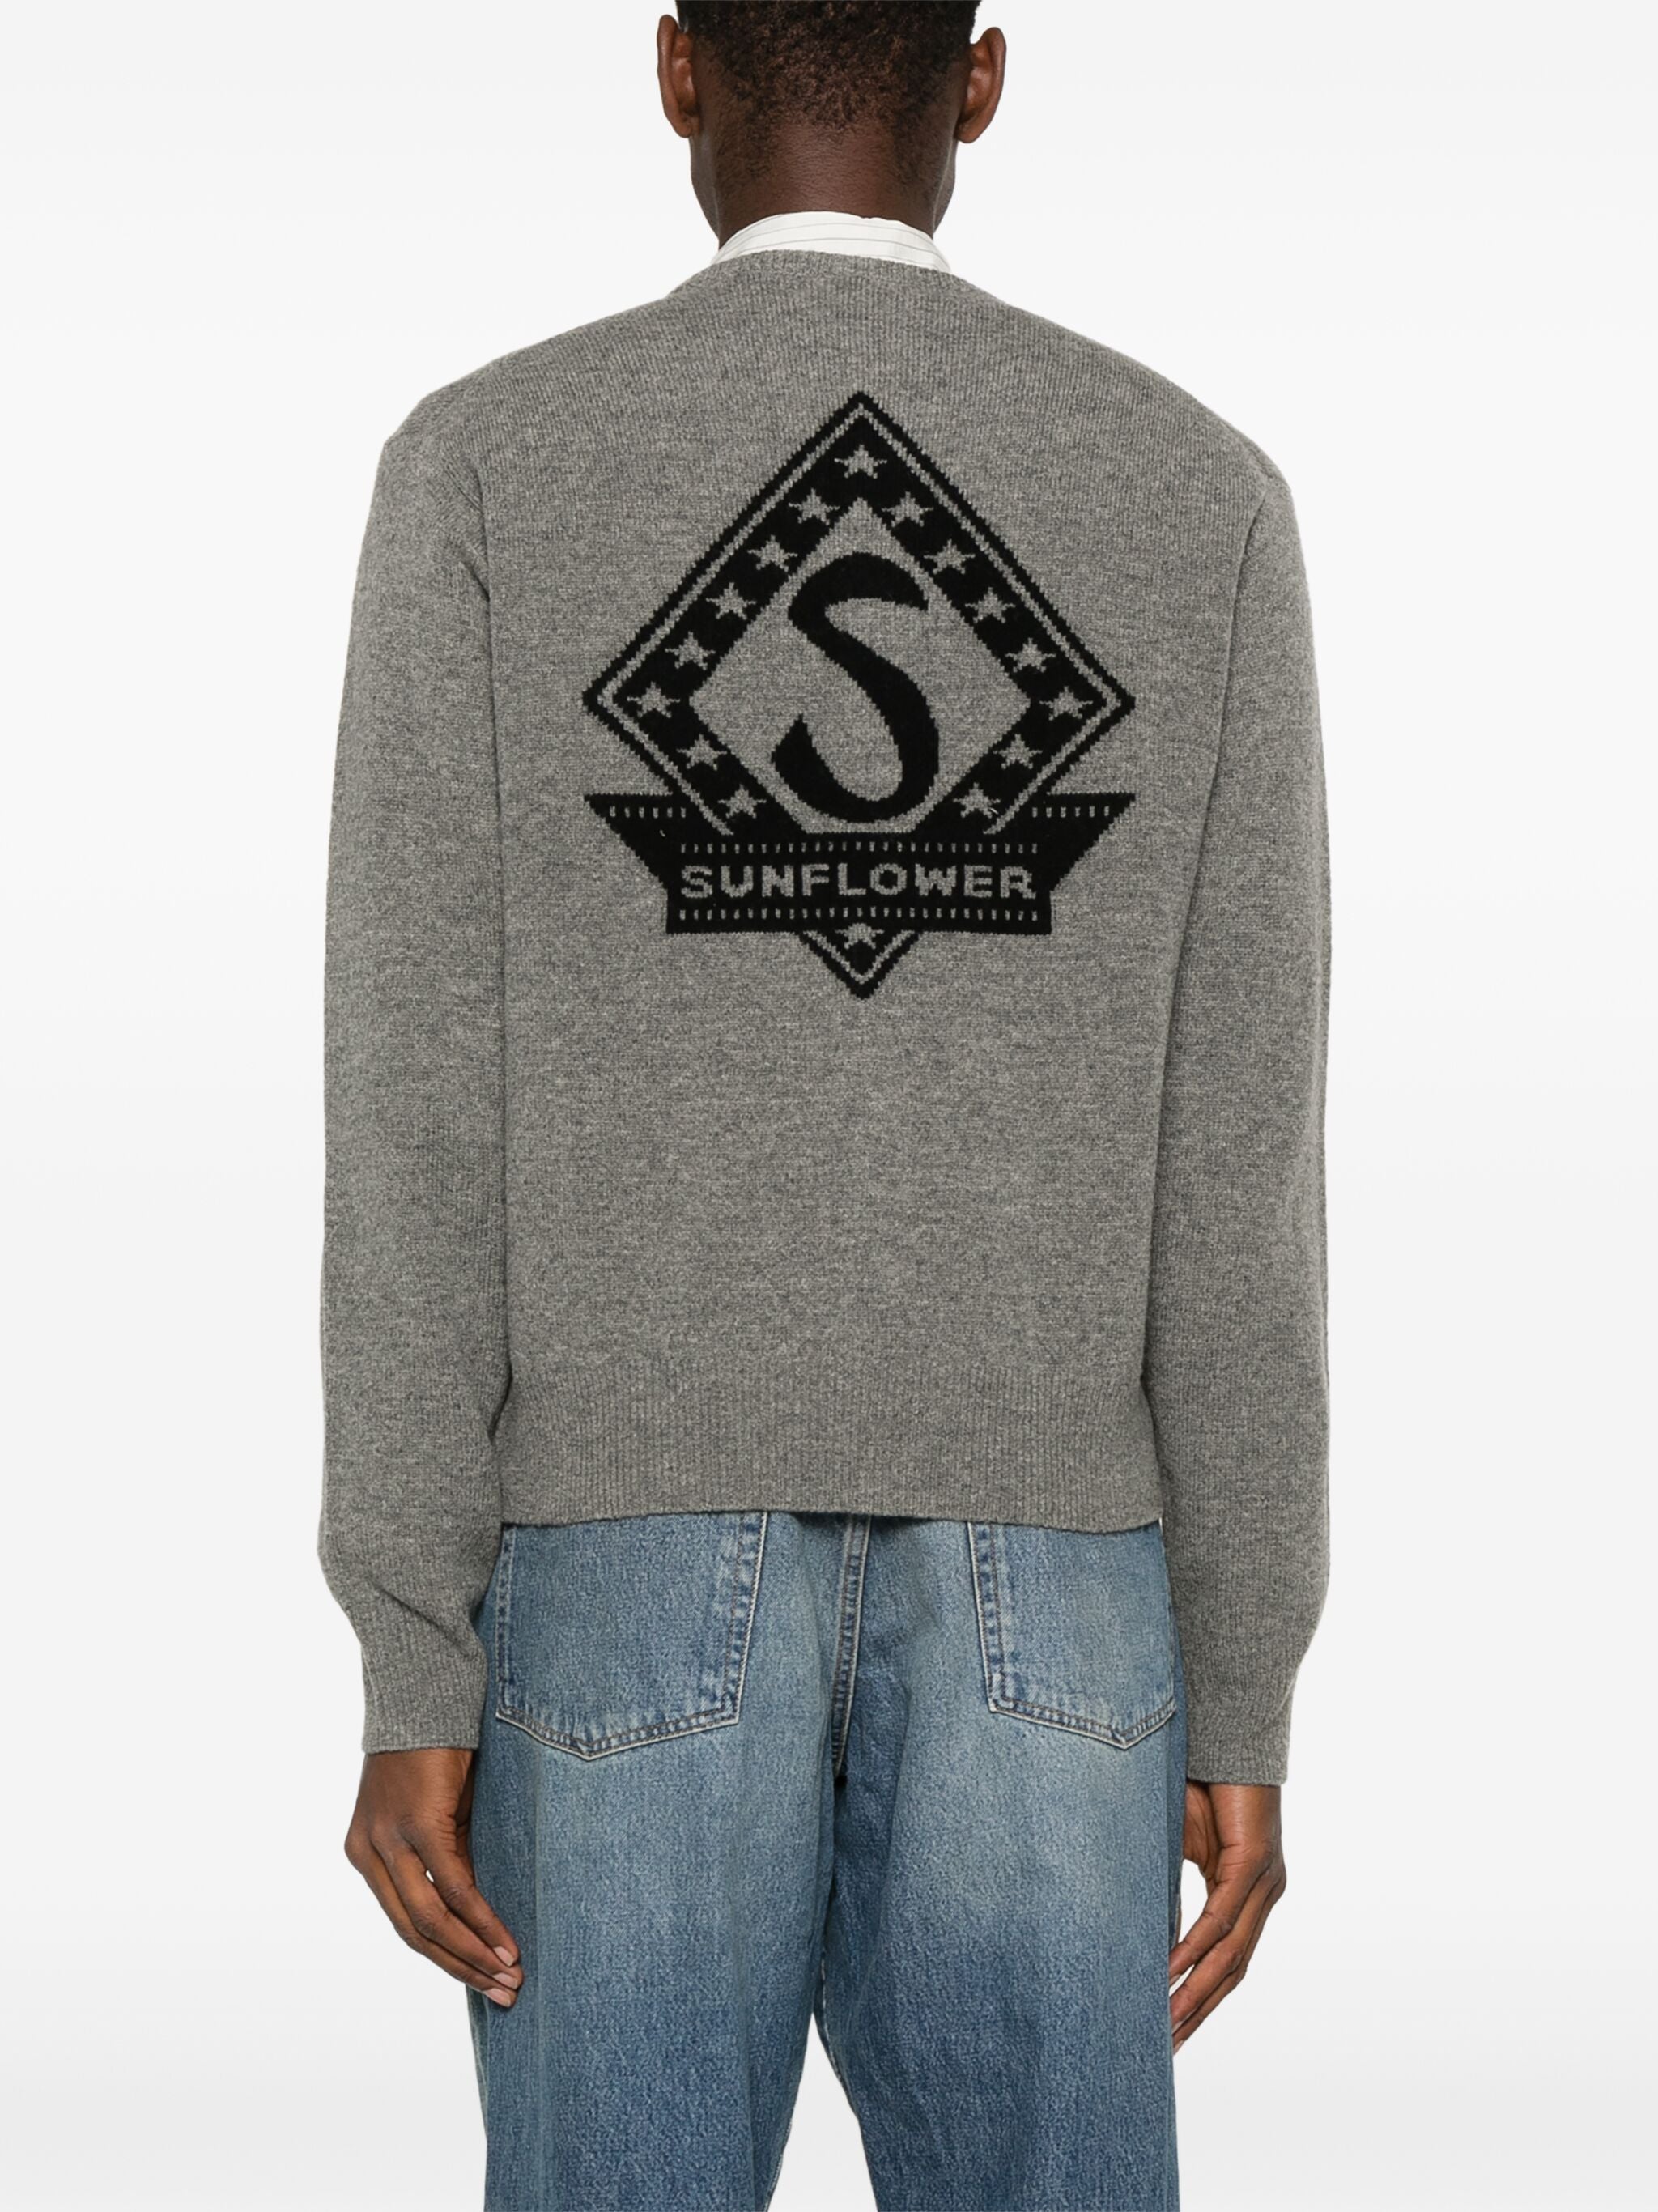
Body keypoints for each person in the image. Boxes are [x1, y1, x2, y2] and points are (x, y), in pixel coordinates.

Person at [320, 6, 1331, 2206]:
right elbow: (1239, 1155)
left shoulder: (490, 464)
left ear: (676, 69)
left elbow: (415, 1100)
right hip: (1063, 1586)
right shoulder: (1195, 491)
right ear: (981, 79)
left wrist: (414, 1649)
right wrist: (1241, 1674)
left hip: (612, 1563)